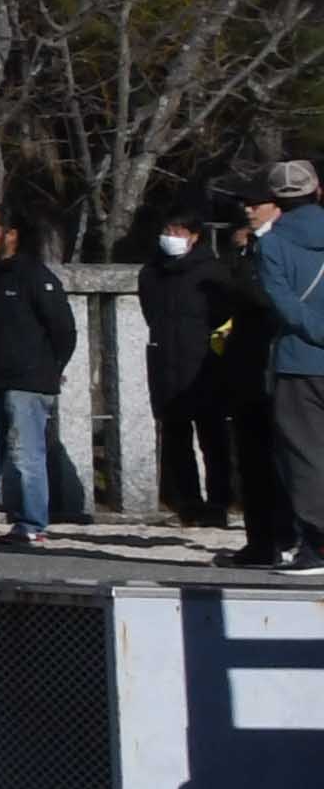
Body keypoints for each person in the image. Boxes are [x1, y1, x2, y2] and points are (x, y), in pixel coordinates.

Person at [0, 205, 78, 552]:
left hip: (28, 382)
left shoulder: (34, 275)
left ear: (10, 235)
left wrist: (49, 369)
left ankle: (31, 523)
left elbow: (64, 329)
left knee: (27, 454)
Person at [138, 210, 238, 530]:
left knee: (213, 439)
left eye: (179, 231)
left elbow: (224, 316)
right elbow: (150, 313)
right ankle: (188, 504)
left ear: (195, 236)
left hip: (206, 367)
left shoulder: (212, 272)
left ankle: (219, 503)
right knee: (175, 439)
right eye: (168, 229)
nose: (172, 236)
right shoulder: (152, 273)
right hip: (166, 364)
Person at [254, 158, 324, 575]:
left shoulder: (272, 243)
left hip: (299, 359)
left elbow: (282, 302)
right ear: (317, 191)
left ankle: (316, 544)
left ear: (276, 199)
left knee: (304, 455)